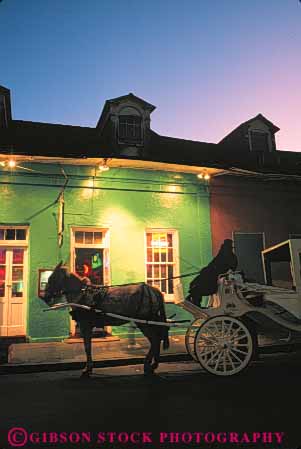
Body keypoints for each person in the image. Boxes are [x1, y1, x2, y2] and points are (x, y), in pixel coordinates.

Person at [186, 239, 238, 307]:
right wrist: (205, 269)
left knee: (199, 286)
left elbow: (231, 270)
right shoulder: (220, 256)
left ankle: (195, 301)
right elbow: (212, 264)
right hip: (210, 274)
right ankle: (192, 296)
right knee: (195, 282)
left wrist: (214, 271)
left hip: (215, 278)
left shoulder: (232, 258)